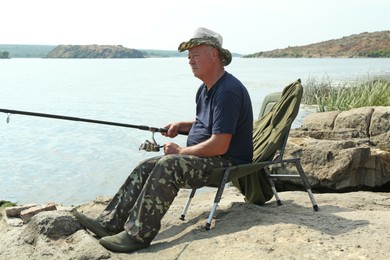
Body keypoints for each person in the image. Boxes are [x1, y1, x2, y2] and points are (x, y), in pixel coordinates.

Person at [73, 27, 253, 253]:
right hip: (210, 157)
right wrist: (181, 126)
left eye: (195, 56)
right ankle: (109, 223)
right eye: (189, 57)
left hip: (227, 161)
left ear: (214, 55)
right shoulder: (205, 89)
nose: (190, 61)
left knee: (168, 165)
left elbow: (220, 144)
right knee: (146, 165)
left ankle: (138, 235)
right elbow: (206, 124)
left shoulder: (228, 91)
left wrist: (179, 151)